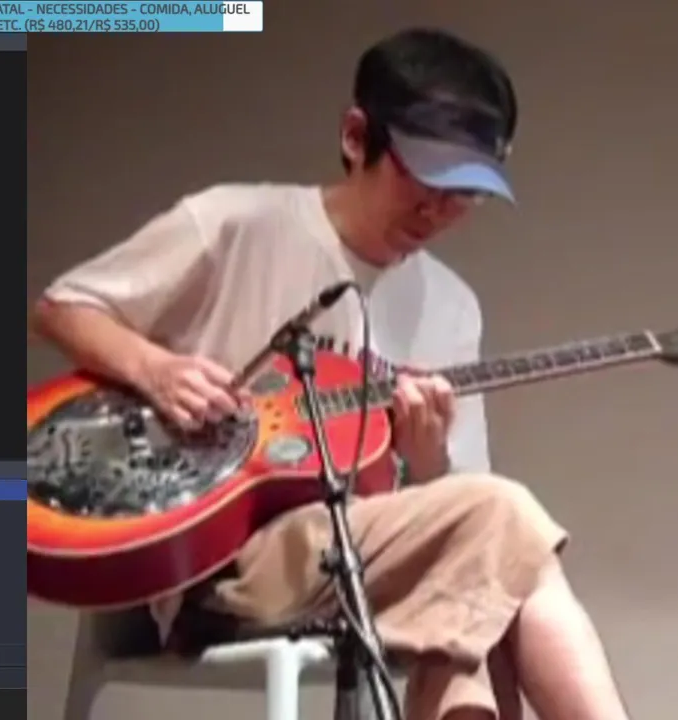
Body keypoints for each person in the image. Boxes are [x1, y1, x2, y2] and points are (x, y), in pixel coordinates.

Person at [32, 27, 630, 720]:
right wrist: (158, 370)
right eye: (424, 178)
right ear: (355, 137)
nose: (438, 211)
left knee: (494, 570)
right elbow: (63, 308)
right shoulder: (235, 224)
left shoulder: (451, 306)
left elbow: (452, 495)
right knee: (503, 533)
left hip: (373, 558)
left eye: (464, 193)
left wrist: (427, 457)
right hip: (223, 559)